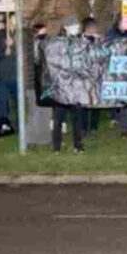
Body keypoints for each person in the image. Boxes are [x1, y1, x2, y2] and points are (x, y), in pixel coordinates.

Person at [51, 17, 85, 154]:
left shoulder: (80, 41)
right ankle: (56, 146)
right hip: (61, 85)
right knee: (58, 117)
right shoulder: (57, 42)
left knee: (77, 117)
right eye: (73, 26)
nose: (76, 28)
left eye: (77, 26)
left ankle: (78, 145)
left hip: (76, 86)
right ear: (66, 27)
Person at [0, 13, 18, 130]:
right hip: (3, 75)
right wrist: (4, 48)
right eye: (13, 19)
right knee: (2, 103)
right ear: (8, 20)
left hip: (17, 74)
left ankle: (20, 125)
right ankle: (3, 125)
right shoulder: (0, 34)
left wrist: (14, 45)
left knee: (19, 102)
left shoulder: (20, 34)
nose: (15, 22)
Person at [80, 17, 102, 137]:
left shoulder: (99, 40)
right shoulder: (80, 40)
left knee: (95, 102)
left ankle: (93, 126)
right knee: (83, 102)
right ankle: (83, 127)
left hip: (96, 76)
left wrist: (99, 42)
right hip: (83, 76)